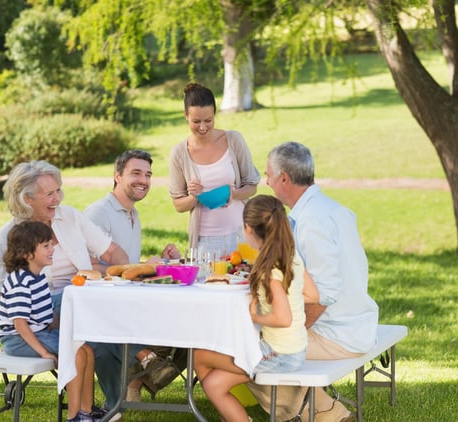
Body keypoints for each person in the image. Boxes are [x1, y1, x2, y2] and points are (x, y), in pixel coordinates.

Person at [246, 142, 379, 422]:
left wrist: (290, 336)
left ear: (284, 178)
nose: (266, 181)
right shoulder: (330, 209)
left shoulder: (310, 222)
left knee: (241, 348)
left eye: (269, 175)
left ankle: (326, 414)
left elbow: (324, 295)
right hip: (357, 322)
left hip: (338, 334)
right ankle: (322, 408)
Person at [0, 160, 130, 421]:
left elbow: (109, 251)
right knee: (77, 305)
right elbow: (4, 304)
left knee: (88, 334)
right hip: (37, 325)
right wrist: (37, 343)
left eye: (58, 190)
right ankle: (81, 412)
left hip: (67, 310)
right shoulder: (10, 242)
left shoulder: (69, 217)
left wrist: (125, 273)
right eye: (49, 194)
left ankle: (88, 410)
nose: (57, 198)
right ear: (27, 198)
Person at [194, 194, 319, 422]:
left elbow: (283, 318)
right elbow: (312, 294)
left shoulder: (270, 270)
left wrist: (256, 315)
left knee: (200, 356)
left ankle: (229, 414)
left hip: (280, 354)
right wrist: (285, 295)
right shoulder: (290, 257)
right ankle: (230, 415)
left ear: (249, 229)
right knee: (213, 382)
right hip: (292, 347)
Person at [84, 149, 185, 403]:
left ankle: (137, 379)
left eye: (148, 174)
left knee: (192, 323)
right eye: (136, 173)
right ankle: (142, 370)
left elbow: (126, 266)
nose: (144, 180)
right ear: (117, 176)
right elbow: (87, 267)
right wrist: (137, 267)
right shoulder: (99, 213)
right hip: (106, 307)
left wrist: (158, 262)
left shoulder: (133, 214)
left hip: (130, 301)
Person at [0, 221, 97, 422]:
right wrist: (44, 352)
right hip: (18, 340)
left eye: (52, 244)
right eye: (46, 246)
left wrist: (65, 332)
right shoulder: (20, 282)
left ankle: (87, 410)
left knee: (86, 348)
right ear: (26, 253)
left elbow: (50, 315)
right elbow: (20, 325)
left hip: (40, 333)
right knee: (75, 353)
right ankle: (74, 416)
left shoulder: (39, 277)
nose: (53, 250)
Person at [169, 82, 260, 255]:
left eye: (208, 120)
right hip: (205, 241)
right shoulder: (179, 154)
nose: (202, 127)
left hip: (242, 234)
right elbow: (178, 205)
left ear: (214, 114)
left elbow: (252, 186)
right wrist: (193, 197)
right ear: (185, 115)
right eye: (196, 121)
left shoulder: (234, 140)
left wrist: (233, 194)